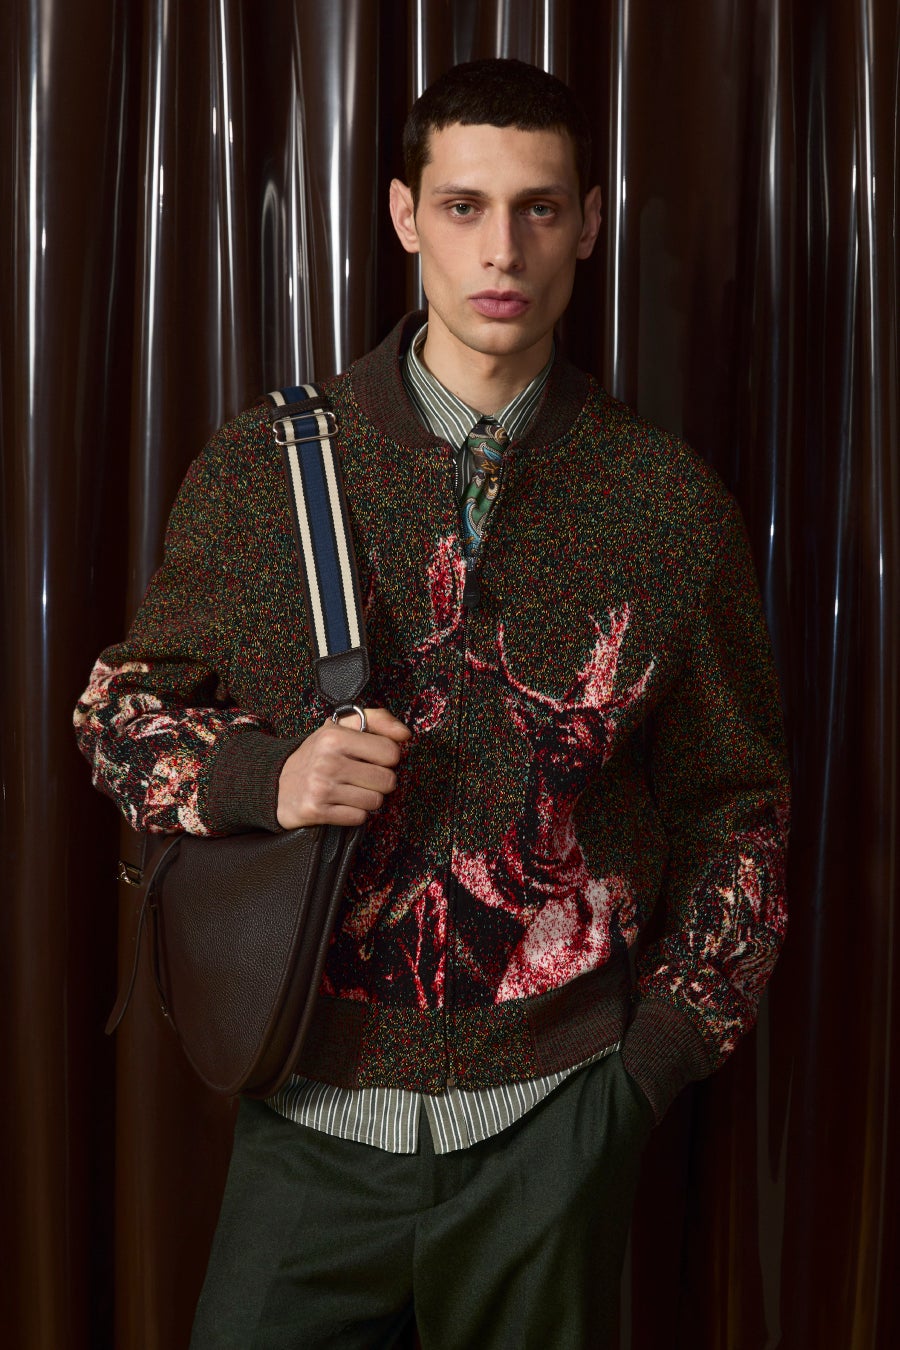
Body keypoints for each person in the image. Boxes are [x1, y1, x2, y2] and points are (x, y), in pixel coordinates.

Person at [74, 57, 789, 1350]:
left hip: (555, 1120)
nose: (500, 249)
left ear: (588, 222)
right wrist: (265, 777)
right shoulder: (263, 468)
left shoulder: (670, 507)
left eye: (538, 207)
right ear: (406, 215)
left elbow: (739, 811)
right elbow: (118, 715)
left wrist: (650, 1069)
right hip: (309, 1114)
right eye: (464, 206)